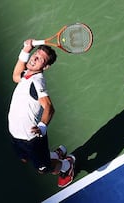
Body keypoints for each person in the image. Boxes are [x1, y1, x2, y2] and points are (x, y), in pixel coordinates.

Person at [7, 39, 75, 188]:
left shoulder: (37, 82)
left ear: (46, 66)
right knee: (24, 159)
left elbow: (49, 107)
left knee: (44, 169)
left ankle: (66, 165)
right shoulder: (26, 75)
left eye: (40, 59)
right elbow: (15, 75)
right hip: (16, 134)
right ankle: (55, 155)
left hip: (32, 139)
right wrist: (25, 50)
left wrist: (42, 126)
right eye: (35, 54)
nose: (34, 58)